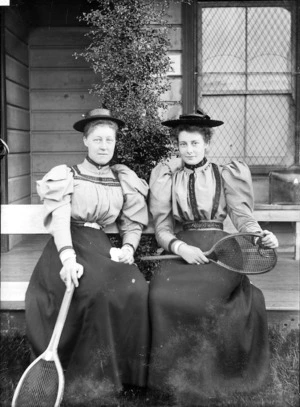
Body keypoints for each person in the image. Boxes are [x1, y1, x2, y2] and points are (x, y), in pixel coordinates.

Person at [148, 110, 278, 403]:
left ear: (207, 144)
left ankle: (210, 377)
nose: (189, 150)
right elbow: (163, 227)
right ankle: (172, 379)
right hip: (184, 249)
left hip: (223, 252)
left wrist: (260, 235)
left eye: (195, 143)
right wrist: (180, 248)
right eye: (183, 144)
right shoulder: (168, 178)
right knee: (160, 294)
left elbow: (243, 217)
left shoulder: (226, 174)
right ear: (177, 146)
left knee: (205, 299)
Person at [25, 108, 150, 404]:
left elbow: (132, 223)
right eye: (97, 139)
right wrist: (68, 258)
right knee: (94, 291)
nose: (104, 146)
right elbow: (60, 219)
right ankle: (89, 376)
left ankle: (127, 375)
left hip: (101, 246)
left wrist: (129, 249)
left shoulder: (122, 178)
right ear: (85, 141)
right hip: (69, 245)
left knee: (136, 287)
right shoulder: (68, 174)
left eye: (110, 140)